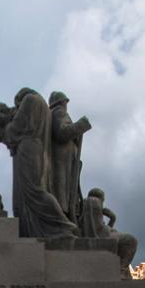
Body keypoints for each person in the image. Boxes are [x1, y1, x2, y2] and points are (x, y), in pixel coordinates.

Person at [4, 88, 79, 239]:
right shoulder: (44, 108)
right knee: (34, 192)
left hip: (27, 150)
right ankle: (53, 226)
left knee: (34, 191)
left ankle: (62, 225)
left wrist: (7, 130)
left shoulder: (30, 100)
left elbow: (17, 127)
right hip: (37, 150)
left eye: (18, 106)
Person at [48, 91, 91, 225]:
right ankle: (64, 216)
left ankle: (67, 215)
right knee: (63, 190)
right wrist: (81, 125)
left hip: (65, 159)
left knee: (67, 190)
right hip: (62, 160)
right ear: (62, 102)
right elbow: (62, 133)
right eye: (66, 102)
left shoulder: (54, 114)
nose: (66, 105)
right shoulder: (58, 112)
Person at [80, 188, 137, 279]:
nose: (103, 202)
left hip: (105, 233)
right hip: (103, 235)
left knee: (126, 240)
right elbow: (98, 229)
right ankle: (121, 271)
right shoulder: (94, 202)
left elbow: (100, 227)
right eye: (103, 199)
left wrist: (112, 219)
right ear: (100, 198)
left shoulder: (89, 204)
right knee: (131, 240)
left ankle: (122, 270)